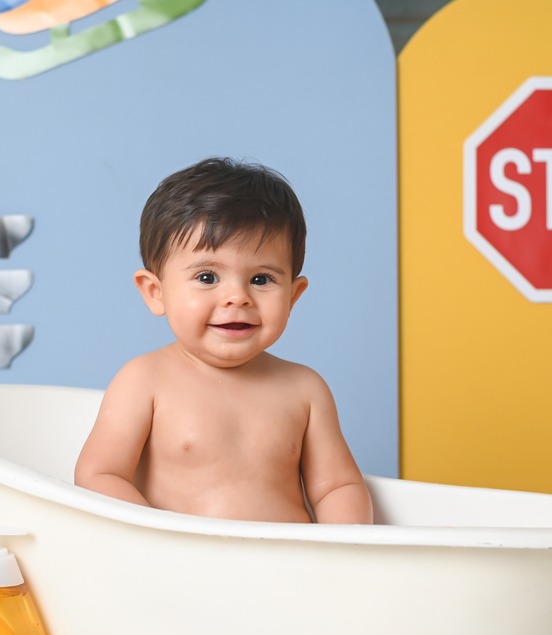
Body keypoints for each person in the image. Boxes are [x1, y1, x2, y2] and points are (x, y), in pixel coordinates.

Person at [74, 158, 373, 525]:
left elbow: (337, 487)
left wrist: (343, 546)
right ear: (155, 292)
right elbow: (99, 475)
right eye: (207, 277)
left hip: (290, 558)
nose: (237, 297)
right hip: (180, 557)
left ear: (293, 296)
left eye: (261, 279)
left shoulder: (305, 390)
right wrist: (161, 540)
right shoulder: (144, 380)